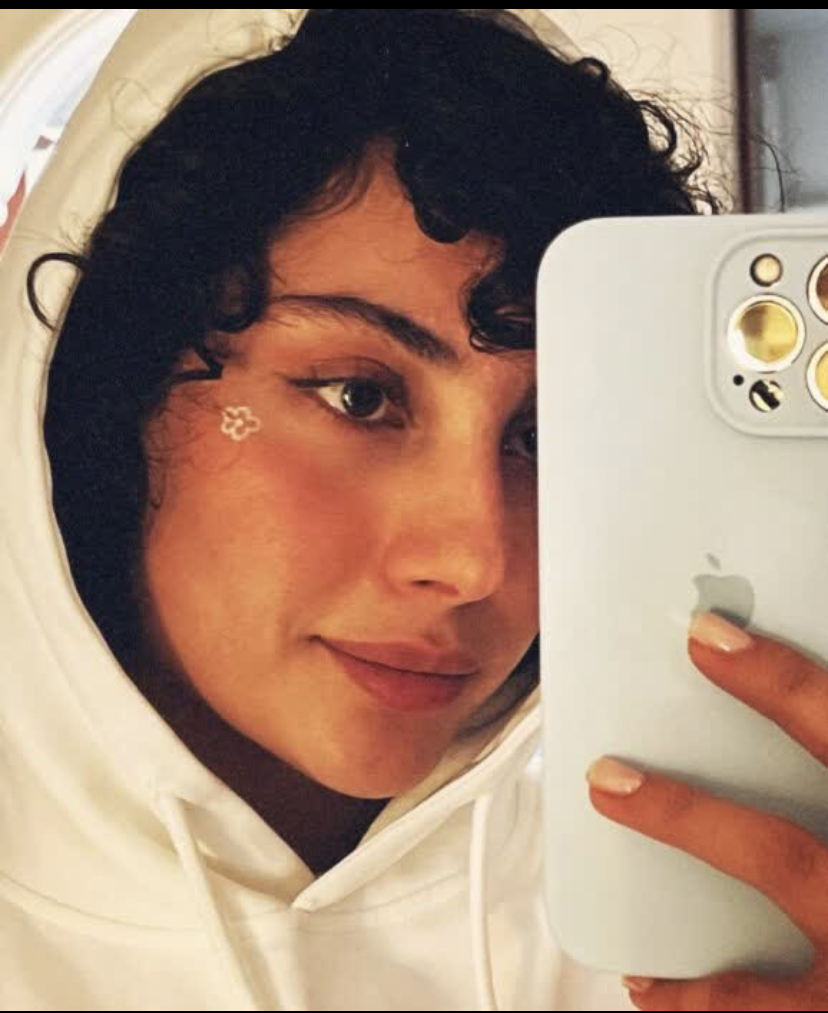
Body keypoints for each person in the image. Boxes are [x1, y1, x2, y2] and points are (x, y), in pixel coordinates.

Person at [5, 9, 828, 1012]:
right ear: (109, 392)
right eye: (359, 396)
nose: (477, 559)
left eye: (543, 435)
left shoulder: (693, 930)